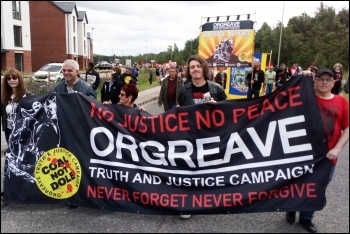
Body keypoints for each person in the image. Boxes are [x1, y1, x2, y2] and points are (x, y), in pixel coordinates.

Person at [286, 69, 349, 233]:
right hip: (303, 153)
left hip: (327, 156)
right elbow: (286, 95)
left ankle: (306, 219)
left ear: (334, 82)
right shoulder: (305, 99)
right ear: (315, 81)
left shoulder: (341, 102)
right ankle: (291, 207)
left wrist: (337, 148)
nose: (324, 82)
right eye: (321, 79)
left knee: (317, 187)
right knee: (297, 184)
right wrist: (300, 77)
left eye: (328, 79)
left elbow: (348, 127)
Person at [176, 55, 226, 219]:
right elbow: (179, 110)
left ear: (203, 68)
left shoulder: (216, 88)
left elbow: (229, 111)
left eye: (198, 66)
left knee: (207, 169)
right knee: (188, 170)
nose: (195, 69)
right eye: (192, 67)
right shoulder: (184, 90)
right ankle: (187, 204)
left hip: (210, 136)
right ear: (188, 71)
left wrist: (217, 106)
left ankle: (206, 199)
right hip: (190, 136)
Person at [1, 68, 33, 199]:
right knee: (12, 161)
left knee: (25, 161)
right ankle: (11, 189)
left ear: (19, 79)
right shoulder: (5, 97)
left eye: (14, 78)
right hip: (10, 133)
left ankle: (28, 189)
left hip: (24, 134)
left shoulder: (27, 96)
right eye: (9, 78)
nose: (12, 80)